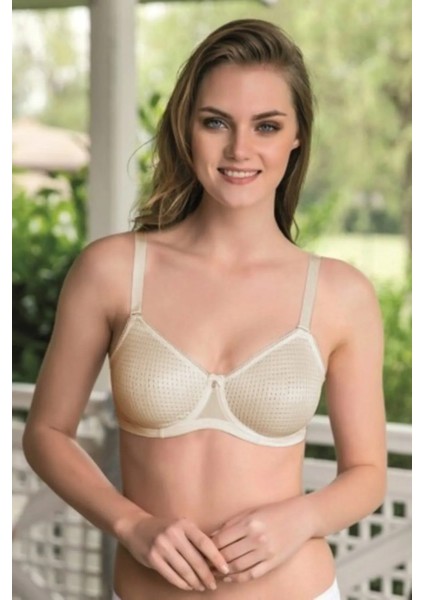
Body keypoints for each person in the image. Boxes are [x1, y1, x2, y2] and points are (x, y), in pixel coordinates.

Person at [22, 18, 387, 600]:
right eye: (216, 122)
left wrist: (302, 519)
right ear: (185, 128)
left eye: (266, 125)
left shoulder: (340, 294)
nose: (240, 149)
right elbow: (46, 433)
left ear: (296, 137)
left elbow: (367, 474)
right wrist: (132, 525)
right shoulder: (112, 271)